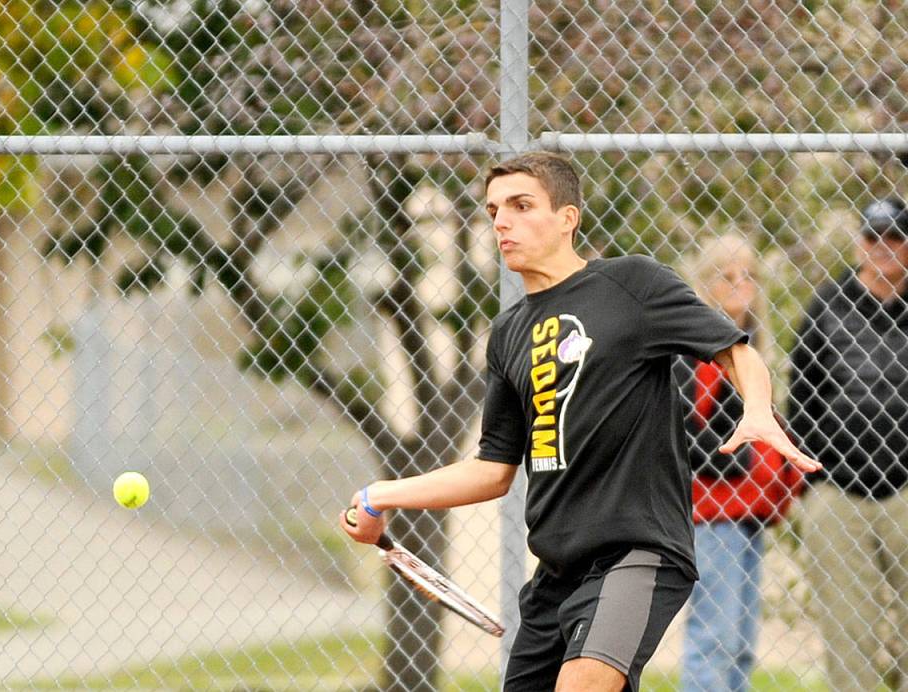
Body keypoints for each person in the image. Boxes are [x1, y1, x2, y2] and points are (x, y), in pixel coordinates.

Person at [340, 151, 820, 692]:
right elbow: (491, 470)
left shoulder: (633, 285)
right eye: (494, 210)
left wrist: (756, 408)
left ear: (567, 217)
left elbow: (736, 351)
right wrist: (381, 495)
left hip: (637, 553)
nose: (502, 222)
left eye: (522, 206)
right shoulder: (508, 334)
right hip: (556, 574)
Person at [788, 196, 908, 692]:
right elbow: (801, 395)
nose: (882, 247)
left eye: (894, 237)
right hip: (838, 488)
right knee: (848, 629)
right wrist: (813, 478)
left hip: (905, 489)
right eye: (872, 237)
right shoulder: (828, 305)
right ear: (859, 244)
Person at [675, 235, 804, 692]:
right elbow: (681, 431)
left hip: (749, 511)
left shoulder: (749, 348)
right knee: (716, 635)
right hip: (714, 512)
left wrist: (782, 474)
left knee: (742, 641)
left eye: (749, 275)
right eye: (725, 276)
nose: (740, 284)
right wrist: (745, 457)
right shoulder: (696, 349)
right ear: (704, 283)